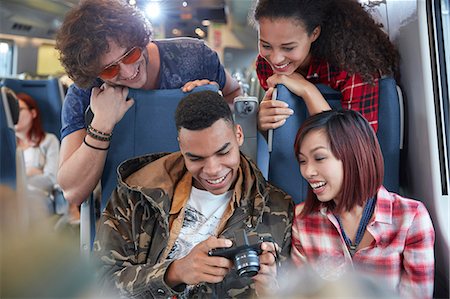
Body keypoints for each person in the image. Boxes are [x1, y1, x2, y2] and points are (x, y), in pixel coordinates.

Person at [93, 90, 294, 298]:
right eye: (196, 158)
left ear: (239, 135)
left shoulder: (276, 208)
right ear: (181, 146)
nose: (213, 169)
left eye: (223, 152)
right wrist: (174, 273)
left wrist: (271, 290)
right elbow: (99, 284)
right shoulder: (136, 194)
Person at [55, 0, 242, 208]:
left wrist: (212, 100)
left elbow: (234, 96)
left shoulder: (195, 57)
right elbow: (72, 192)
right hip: (127, 216)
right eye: (109, 70)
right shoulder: (86, 92)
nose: (127, 73)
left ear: (141, 38)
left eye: (131, 54)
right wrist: (101, 124)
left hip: (203, 203)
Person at [291, 110, 435, 298]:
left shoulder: (410, 217)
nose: (308, 171)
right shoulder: (303, 220)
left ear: (354, 155)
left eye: (319, 158)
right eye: (302, 161)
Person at [251, 0, 399, 133]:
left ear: (314, 33)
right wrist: (260, 121)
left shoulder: (350, 67)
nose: (276, 59)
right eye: (266, 45)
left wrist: (307, 90)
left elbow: (357, 143)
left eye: (288, 48)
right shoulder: (265, 66)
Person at [14, 93, 60, 211]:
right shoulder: (6, 145)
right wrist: (29, 173)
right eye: (11, 110)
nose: (14, 114)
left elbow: (51, 179)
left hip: (39, 198)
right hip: (10, 197)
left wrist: (20, 179)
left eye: (18, 109)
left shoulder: (49, 141)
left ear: (33, 113)